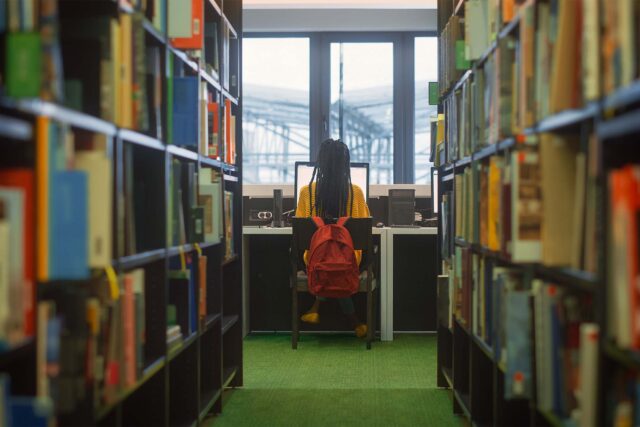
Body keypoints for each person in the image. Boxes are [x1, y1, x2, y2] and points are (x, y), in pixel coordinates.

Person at [295, 138, 370, 338]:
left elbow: (301, 231)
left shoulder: (306, 193)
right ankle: (356, 322)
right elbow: (365, 227)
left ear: (320, 163)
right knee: (340, 260)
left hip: (315, 258)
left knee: (325, 259)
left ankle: (316, 306)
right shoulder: (355, 192)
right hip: (349, 258)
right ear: (346, 164)